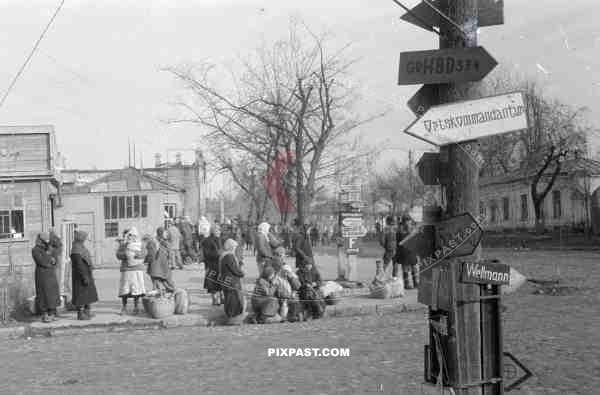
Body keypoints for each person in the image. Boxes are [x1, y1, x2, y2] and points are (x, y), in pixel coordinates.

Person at [116, 227, 147, 315]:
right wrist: (126, 254)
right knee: (125, 290)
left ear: (136, 236)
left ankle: (136, 307)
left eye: (132, 235)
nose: (130, 237)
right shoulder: (124, 245)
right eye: (129, 235)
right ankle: (124, 307)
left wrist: (136, 254)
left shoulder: (140, 245)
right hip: (126, 270)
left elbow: (145, 253)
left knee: (136, 289)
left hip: (137, 270)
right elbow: (118, 255)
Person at [70, 230, 99, 320]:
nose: (85, 239)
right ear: (80, 238)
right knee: (80, 295)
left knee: (87, 294)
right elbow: (79, 265)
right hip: (80, 276)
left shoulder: (80, 247)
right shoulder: (76, 250)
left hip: (86, 273)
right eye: (84, 238)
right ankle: (80, 314)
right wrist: (84, 276)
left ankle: (87, 312)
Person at [32, 232, 60, 323]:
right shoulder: (35, 250)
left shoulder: (49, 248)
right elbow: (41, 261)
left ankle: (52, 314)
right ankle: (45, 315)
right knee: (44, 294)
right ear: (40, 240)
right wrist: (49, 257)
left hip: (51, 274)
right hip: (42, 275)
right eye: (44, 241)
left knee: (52, 294)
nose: (46, 243)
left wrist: (53, 259)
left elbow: (55, 260)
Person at [271, 246, 301, 322]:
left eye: (283, 256)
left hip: (284, 292)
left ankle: (292, 315)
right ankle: (289, 316)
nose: (283, 257)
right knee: (288, 300)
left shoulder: (284, 267)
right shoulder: (276, 267)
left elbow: (297, 285)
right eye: (282, 255)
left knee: (293, 299)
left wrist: (291, 276)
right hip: (278, 293)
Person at [219, 239, 246, 320]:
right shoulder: (229, 256)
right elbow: (234, 269)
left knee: (230, 298)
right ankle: (233, 316)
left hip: (227, 280)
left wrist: (239, 264)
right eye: (234, 247)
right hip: (231, 282)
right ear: (230, 247)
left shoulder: (224, 255)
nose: (235, 248)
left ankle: (231, 315)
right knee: (233, 299)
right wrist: (242, 273)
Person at [147, 227, 175, 292]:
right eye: (165, 233)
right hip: (161, 266)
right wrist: (172, 264)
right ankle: (169, 296)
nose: (166, 234)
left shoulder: (153, 241)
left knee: (157, 285)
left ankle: (161, 297)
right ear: (162, 233)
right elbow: (171, 254)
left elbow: (148, 254)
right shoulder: (163, 243)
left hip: (157, 267)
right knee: (167, 283)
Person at [201, 225, 223, 305]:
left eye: (219, 230)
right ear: (213, 232)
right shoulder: (207, 241)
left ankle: (221, 298)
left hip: (218, 264)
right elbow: (207, 254)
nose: (219, 232)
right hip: (210, 265)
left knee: (219, 282)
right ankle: (215, 300)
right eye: (217, 231)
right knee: (212, 284)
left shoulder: (218, 239)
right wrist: (218, 254)